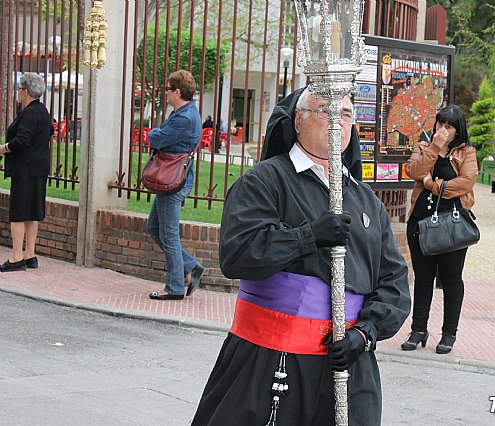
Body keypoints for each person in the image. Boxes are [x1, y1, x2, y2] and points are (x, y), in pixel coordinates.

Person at [191, 87, 410, 426]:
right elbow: (237, 254)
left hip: (348, 364)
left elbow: (394, 283)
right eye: (326, 110)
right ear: (298, 119)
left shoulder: (368, 201)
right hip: (268, 360)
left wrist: (365, 333)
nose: (338, 122)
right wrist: (307, 237)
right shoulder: (263, 182)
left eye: (347, 114)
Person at [402, 104, 478, 354]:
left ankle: (449, 334)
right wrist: (435, 147)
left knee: (451, 279)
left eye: (449, 126)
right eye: (440, 124)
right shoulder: (424, 147)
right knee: (423, 278)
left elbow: (465, 183)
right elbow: (413, 171)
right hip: (421, 223)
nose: (443, 130)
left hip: (452, 225)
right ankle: (418, 329)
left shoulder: (466, 153)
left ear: (458, 131)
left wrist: (432, 185)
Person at [146, 69, 205, 300]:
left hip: (173, 181)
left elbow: (157, 138)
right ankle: (190, 266)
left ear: (178, 91)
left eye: (168, 89)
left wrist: (153, 134)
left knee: (169, 234)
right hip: (170, 179)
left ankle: (174, 287)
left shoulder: (184, 118)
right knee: (153, 227)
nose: (166, 93)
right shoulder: (184, 112)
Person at [0, 73, 53, 272]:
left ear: (25, 92)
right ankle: (30, 255)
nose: (19, 94)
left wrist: (3, 148)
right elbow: (48, 133)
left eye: (19, 90)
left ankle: (16, 257)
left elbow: (22, 140)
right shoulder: (43, 111)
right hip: (39, 169)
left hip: (25, 170)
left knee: (18, 214)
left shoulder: (29, 113)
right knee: (32, 213)